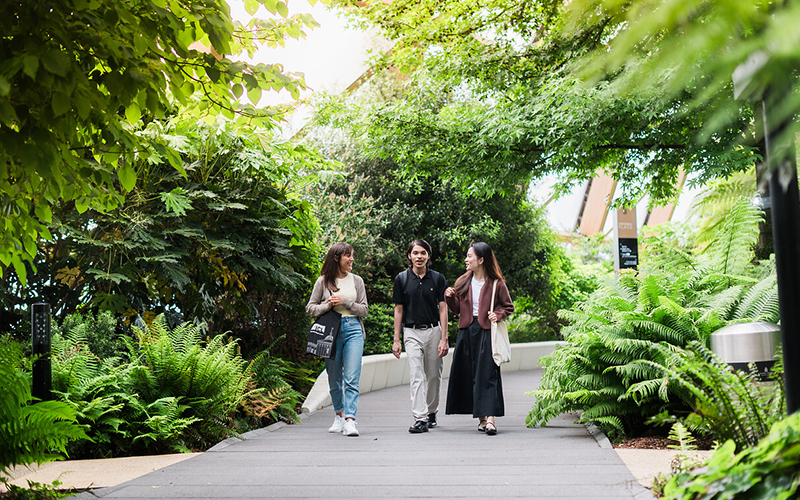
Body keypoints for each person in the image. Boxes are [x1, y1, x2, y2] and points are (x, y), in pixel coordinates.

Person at [444, 242, 514, 436]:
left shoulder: (497, 283)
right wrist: (450, 297)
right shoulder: (462, 281)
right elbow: (457, 309)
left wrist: (497, 315)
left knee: (488, 373)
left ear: (481, 260)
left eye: (470, 256)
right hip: (466, 332)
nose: (466, 260)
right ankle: (482, 419)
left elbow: (508, 307)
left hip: (486, 331)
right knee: (470, 373)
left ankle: (490, 419)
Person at [306, 242, 369, 437]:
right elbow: (310, 308)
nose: (352, 259)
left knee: (351, 378)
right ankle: (339, 415)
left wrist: (346, 302)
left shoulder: (357, 281)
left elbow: (364, 310)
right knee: (334, 378)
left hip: (353, 330)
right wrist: (327, 305)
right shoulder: (323, 281)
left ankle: (350, 420)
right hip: (330, 332)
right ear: (336, 258)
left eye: (352, 255)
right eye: (347, 256)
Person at [392, 240, 449, 433]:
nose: (419, 256)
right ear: (409, 256)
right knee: (416, 375)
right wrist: (396, 339)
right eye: (415, 253)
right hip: (411, 332)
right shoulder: (401, 279)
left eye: (423, 253)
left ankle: (432, 411)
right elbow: (398, 310)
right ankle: (420, 418)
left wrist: (444, 338)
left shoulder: (438, 278)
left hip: (433, 330)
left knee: (434, 375)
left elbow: (443, 308)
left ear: (428, 256)